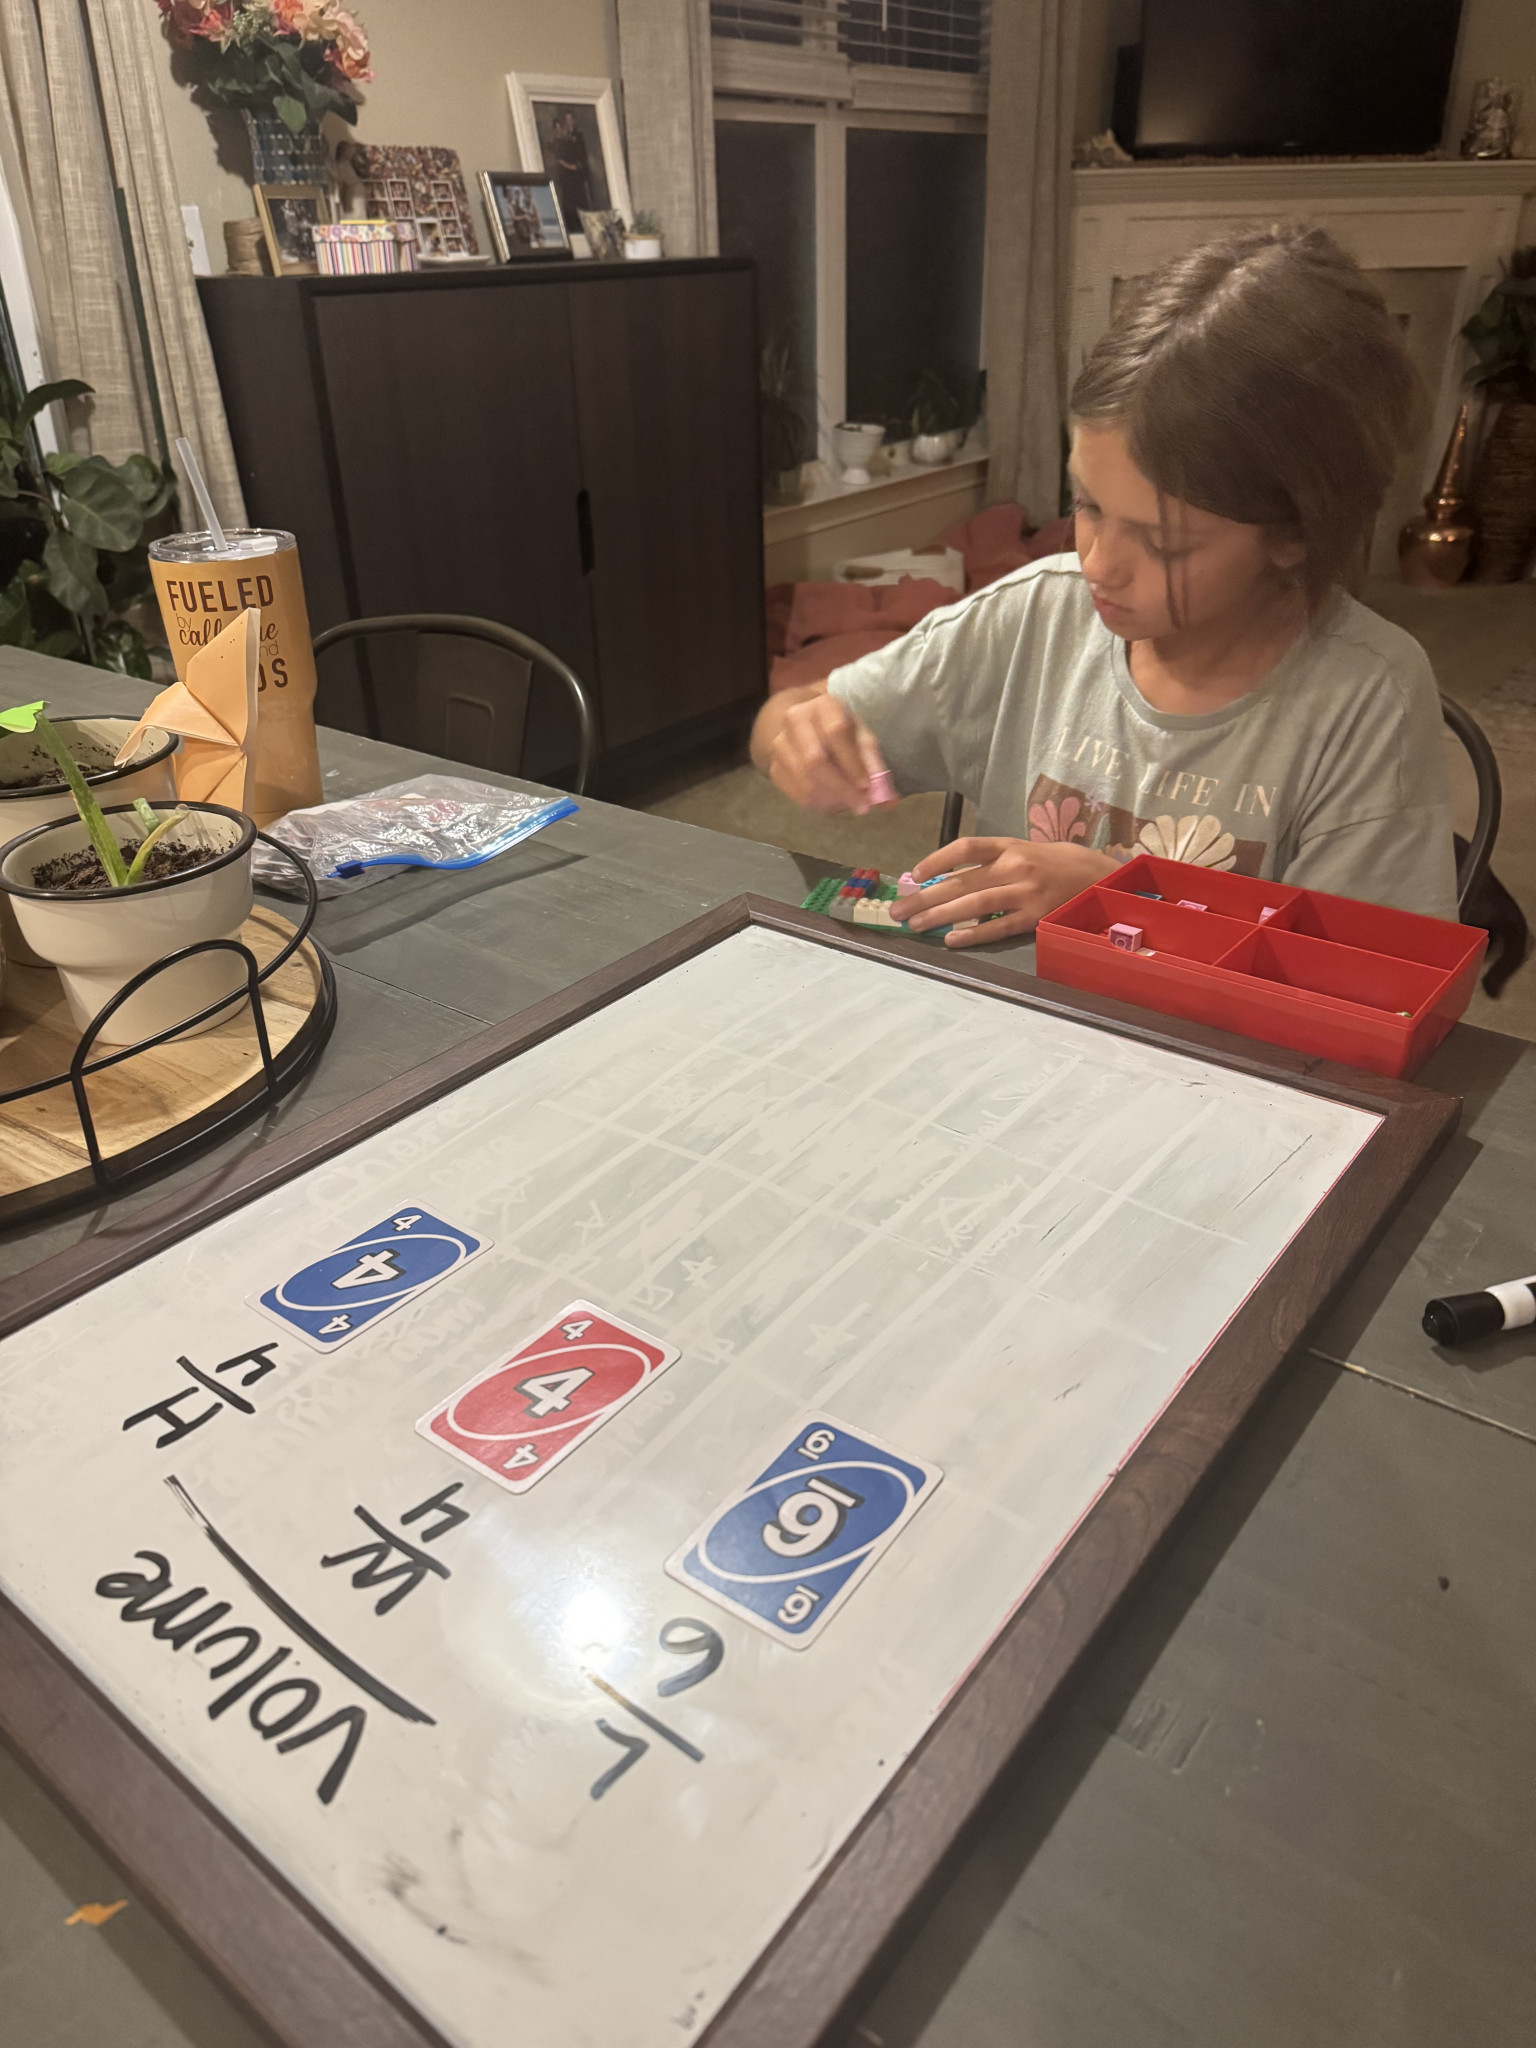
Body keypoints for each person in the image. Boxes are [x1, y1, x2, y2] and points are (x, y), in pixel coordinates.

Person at [751, 222, 1459, 940]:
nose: (1097, 564)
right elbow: (786, 718)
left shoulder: (1369, 695)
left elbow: (1375, 970)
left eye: (1163, 543)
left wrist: (1125, 897)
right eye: (1087, 505)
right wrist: (795, 731)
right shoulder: (1033, 616)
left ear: (1295, 535)